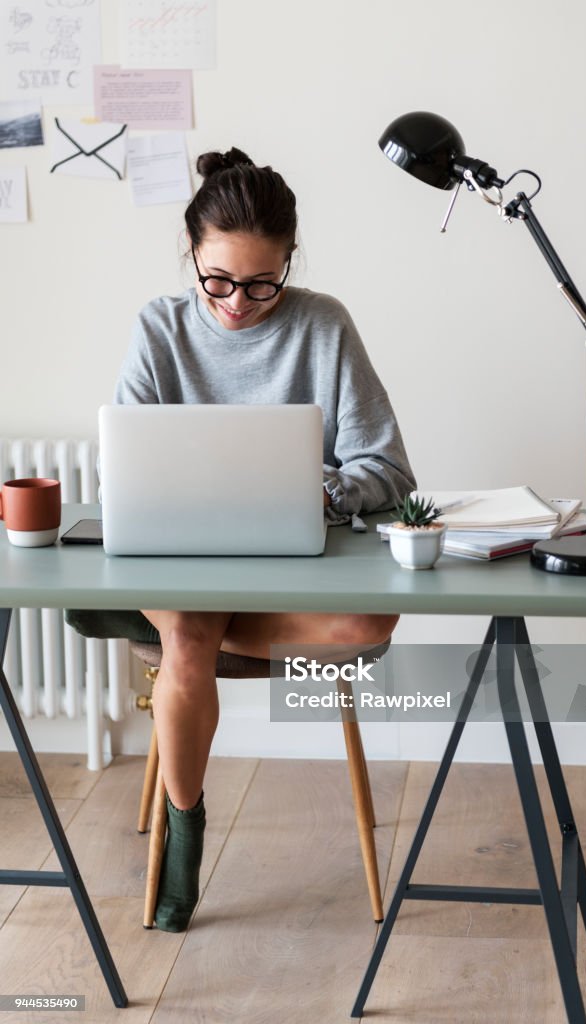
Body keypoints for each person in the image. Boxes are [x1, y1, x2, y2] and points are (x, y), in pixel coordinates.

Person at [79, 146, 416, 932]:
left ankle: (174, 640)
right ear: (191, 255)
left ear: (290, 262)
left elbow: (389, 472)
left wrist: (320, 488)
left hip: (291, 564)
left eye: (263, 283)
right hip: (182, 564)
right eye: (218, 280)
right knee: (193, 632)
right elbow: (125, 468)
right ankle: (186, 828)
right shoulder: (159, 329)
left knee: (366, 628)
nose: (237, 302)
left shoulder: (323, 324)